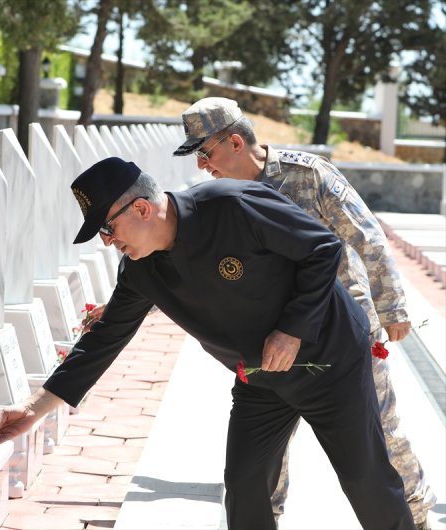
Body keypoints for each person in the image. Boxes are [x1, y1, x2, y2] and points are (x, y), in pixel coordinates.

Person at [0, 156, 416, 530]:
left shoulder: (232, 204)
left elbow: (322, 248)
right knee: (246, 483)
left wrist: (292, 330)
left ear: (141, 208)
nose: (110, 243)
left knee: (365, 478)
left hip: (329, 361)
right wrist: (34, 408)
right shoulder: (140, 271)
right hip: (260, 378)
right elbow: (103, 341)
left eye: (109, 230)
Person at [172, 96, 434, 529]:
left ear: (235, 142)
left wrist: (392, 306)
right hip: (272, 338)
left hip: (342, 330)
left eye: (205, 152)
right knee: (265, 450)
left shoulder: (307, 175)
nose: (202, 166)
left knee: (380, 434)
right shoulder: (219, 201)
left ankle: (417, 517)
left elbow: (366, 236)